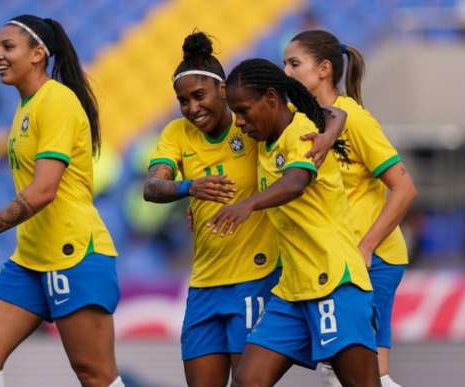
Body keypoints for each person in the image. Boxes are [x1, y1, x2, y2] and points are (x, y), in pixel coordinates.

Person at [143, 32, 346, 387]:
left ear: (223, 91)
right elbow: (152, 186)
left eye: (199, 96)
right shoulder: (176, 134)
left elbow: (332, 113)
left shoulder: (254, 130)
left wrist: (327, 137)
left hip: (254, 279)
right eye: (183, 101)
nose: (192, 108)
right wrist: (188, 187)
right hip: (204, 284)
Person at [0, 15, 123, 387]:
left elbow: (43, 191)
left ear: (38, 53)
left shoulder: (56, 101)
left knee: (96, 374)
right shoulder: (26, 106)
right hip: (31, 258)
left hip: (74, 253)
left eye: (8, 46)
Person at [209, 58, 379, 387]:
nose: (240, 122)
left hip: (334, 282)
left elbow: (296, 182)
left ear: (271, 98)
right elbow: (334, 114)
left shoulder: (301, 130)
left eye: (243, 111)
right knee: (247, 380)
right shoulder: (265, 139)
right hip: (293, 289)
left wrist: (247, 206)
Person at [283, 30, 418, 387]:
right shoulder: (298, 122)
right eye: (284, 63)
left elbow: (404, 189)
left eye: (294, 63)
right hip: (333, 262)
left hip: (370, 261)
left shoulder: (353, 119)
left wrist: (367, 246)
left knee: (363, 375)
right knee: (345, 374)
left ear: (324, 69)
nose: (286, 72)